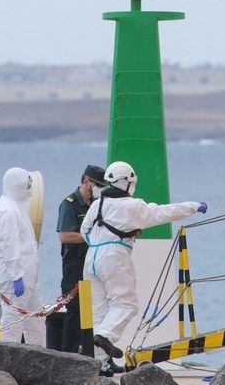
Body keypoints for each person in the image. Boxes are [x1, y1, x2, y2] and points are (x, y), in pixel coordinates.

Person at [81, 160, 206, 376]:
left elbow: (85, 231)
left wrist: (102, 241)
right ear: (126, 183)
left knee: (99, 309)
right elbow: (163, 212)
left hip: (91, 256)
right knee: (126, 304)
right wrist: (193, 206)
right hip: (114, 256)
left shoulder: (97, 204)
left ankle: (100, 363)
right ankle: (105, 337)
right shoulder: (132, 206)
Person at [56, 164, 106, 353]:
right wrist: (91, 236)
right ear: (87, 182)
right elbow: (65, 235)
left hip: (95, 264)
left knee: (100, 311)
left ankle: (100, 358)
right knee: (75, 312)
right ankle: (68, 356)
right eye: (98, 185)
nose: (100, 190)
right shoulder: (69, 204)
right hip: (75, 265)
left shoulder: (98, 205)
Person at [0, 167, 45, 345]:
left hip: (27, 273)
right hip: (15, 274)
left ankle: (37, 355)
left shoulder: (18, 205)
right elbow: (9, 246)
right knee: (13, 319)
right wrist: (16, 276)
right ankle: (8, 357)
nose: (30, 190)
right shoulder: (8, 211)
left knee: (35, 318)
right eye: (26, 186)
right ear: (17, 187)